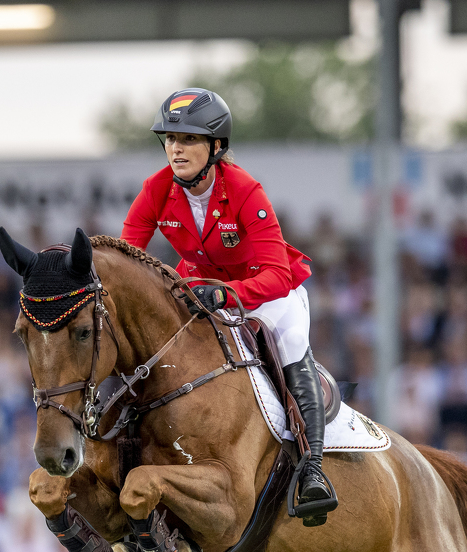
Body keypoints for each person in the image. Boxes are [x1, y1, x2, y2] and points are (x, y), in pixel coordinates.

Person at [121, 88, 337, 522]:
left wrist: (228, 293)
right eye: (169, 139)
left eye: (188, 140)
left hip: (267, 294)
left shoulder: (244, 190)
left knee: (291, 340)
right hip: (201, 288)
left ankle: (312, 469)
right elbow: (128, 258)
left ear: (216, 146)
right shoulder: (157, 189)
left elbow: (276, 273)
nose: (175, 149)